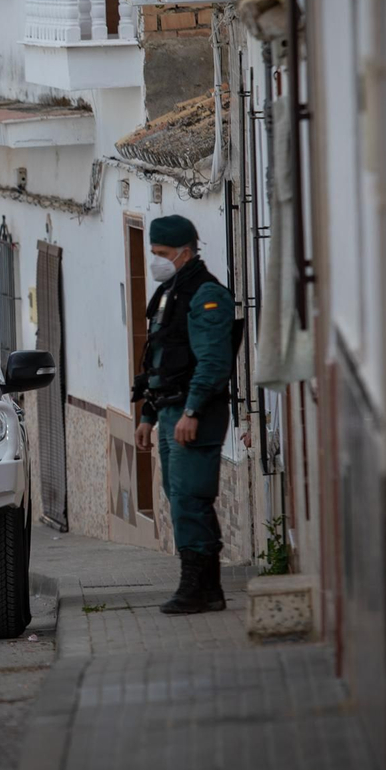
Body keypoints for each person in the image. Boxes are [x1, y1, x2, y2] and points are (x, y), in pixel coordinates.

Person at [132, 215, 238, 616]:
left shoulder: (206, 295)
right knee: (179, 499)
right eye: (154, 253)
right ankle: (206, 588)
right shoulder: (169, 292)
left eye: (161, 254)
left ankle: (197, 587)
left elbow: (212, 362)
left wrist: (192, 410)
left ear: (185, 251)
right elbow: (158, 356)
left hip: (196, 411)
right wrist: (147, 413)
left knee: (190, 499)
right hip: (170, 409)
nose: (156, 261)